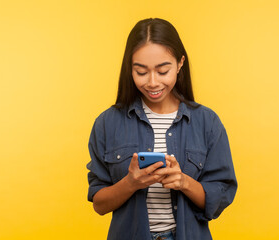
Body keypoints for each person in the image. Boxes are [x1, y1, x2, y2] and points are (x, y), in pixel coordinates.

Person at [87, 18, 237, 240]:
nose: (153, 82)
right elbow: (99, 204)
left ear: (180, 63)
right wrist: (130, 183)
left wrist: (184, 182)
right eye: (141, 71)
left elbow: (220, 200)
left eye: (163, 70)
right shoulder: (107, 123)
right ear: (129, 68)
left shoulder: (207, 122)